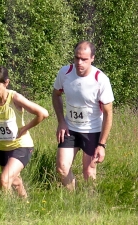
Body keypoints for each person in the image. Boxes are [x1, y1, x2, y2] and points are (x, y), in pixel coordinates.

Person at [0, 66, 49, 198]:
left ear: (6, 83)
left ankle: (7, 212)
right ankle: (25, 205)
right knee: (15, 181)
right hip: (2, 146)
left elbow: (43, 113)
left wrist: (25, 129)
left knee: (5, 179)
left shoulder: (15, 98)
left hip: (21, 145)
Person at [52, 41, 114, 191]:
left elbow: (108, 113)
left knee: (89, 172)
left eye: (84, 59)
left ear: (92, 58)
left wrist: (102, 144)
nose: (79, 63)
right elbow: (56, 95)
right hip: (70, 129)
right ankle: (73, 201)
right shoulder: (65, 73)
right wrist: (61, 121)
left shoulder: (101, 79)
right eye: (76, 58)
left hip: (92, 131)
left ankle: (90, 206)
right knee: (62, 168)